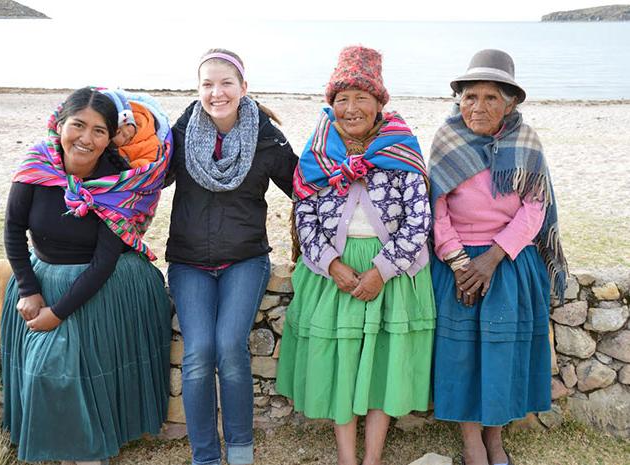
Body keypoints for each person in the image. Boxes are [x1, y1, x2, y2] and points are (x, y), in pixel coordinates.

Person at [276, 46, 436, 465]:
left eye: (361, 99)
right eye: (342, 99)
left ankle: (372, 459)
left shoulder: (402, 147)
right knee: (339, 366)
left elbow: (419, 221)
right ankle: (348, 458)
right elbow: (304, 215)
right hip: (333, 275)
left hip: (393, 276)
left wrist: (382, 271)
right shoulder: (319, 151)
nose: (351, 109)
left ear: (380, 103)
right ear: (331, 105)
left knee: (383, 363)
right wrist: (332, 264)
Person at [1, 87, 172, 464]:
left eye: (99, 130)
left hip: (102, 283)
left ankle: (89, 455)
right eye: (78, 125)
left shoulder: (117, 184)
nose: (86, 138)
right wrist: (29, 290)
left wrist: (58, 313)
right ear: (60, 124)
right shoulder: (37, 166)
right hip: (44, 279)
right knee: (50, 372)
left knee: (61, 368)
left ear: (110, 137)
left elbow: (103, 262)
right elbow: (13, 230)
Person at [429, 49, 568, 465]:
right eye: (470, 97)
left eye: (491, 98)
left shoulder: (526, 142)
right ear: (459, 100)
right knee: (462, 355)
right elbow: (435, 208)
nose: (478, 107)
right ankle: (472, 442)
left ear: (510, 102)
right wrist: (459, 263)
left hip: (508, 262)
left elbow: (535, 208)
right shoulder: (447, 138)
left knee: (501, 353)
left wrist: (492, 258)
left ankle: (495, 438)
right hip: (457, 266)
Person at [165, 49, 298, 465]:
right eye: (207, 84)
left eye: (226, 83)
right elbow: (145, 177)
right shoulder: (182, 133)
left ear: (244, 87)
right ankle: (205, 457)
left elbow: (305, 189)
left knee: (229, 347)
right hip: (189, 262)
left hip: (245, 259)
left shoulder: (267, 136)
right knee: (199, 351)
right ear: (198, 89)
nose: (217, 92)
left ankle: (240, 453)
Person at [99, 88, 173, 169]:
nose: (126, 133)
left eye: (128, 124)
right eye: (118, 132)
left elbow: (151, 158)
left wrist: (135, 166)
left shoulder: (147, 137)